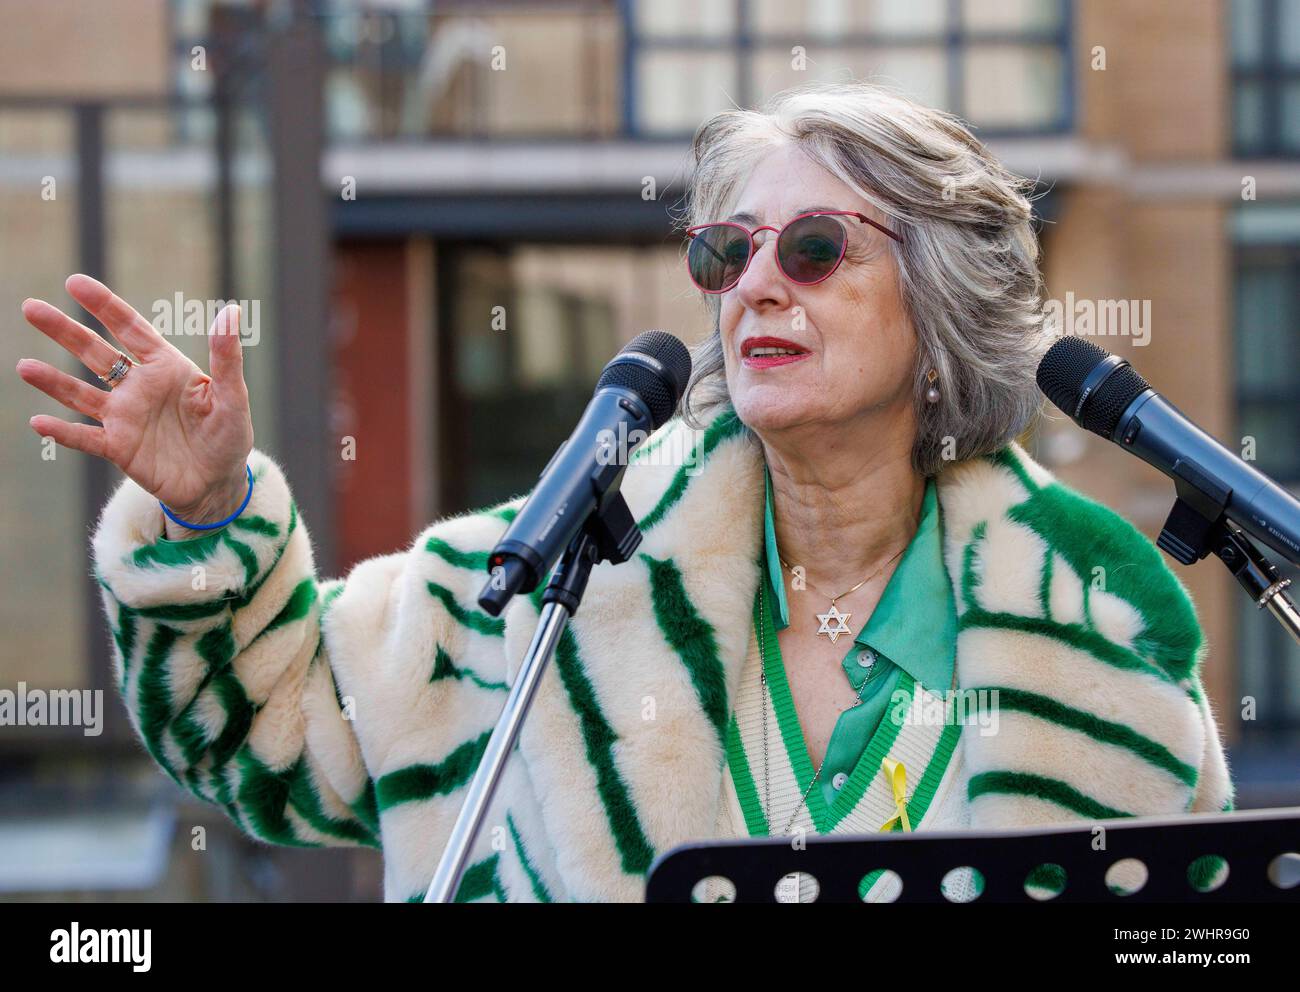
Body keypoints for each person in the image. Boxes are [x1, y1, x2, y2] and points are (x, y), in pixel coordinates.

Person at [17, 81, 1231, 903]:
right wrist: (207, 510)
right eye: (725, 249)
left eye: (812, 246)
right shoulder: (556, 575)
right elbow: (265, 730)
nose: (754, 282)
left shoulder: (1094, 629)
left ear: (940, 300)